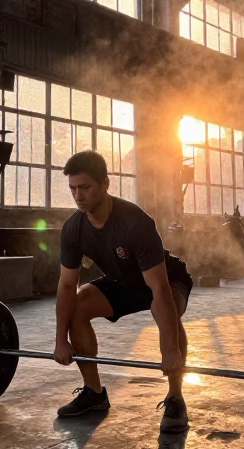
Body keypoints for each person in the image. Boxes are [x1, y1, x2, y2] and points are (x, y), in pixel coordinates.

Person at [54, 149, 193, 433]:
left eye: (85, 187)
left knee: (165, 311)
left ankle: (175, 397)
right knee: (78, 306)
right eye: (73, 189)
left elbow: (159, 288)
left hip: (167, 279)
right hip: (123, 281)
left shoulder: (135, 222)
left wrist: (170, 349)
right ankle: (94, 393)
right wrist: (60, 340)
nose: (78, 196)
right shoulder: (73, 229)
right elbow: (67, 285)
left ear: (105, 183)